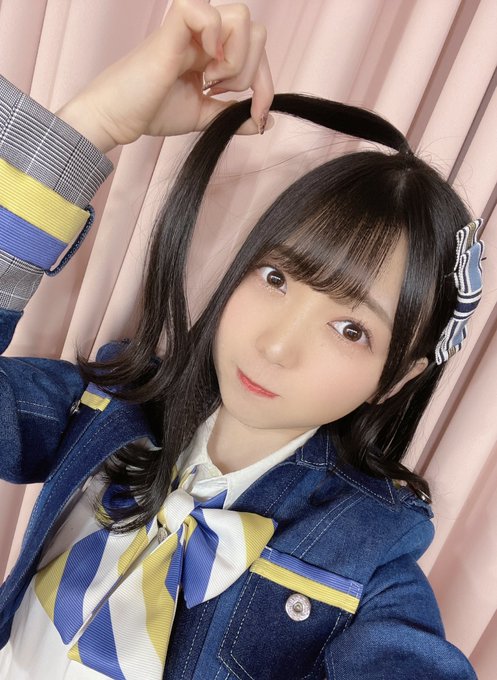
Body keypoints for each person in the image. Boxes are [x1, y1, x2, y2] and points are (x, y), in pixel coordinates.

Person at [0, 0, 483, 678]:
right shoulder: (104, 405)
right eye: (276, 278)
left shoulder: (366, 561)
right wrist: (95, 122)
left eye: (351, 329)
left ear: (398, 377)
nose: (276, 347)